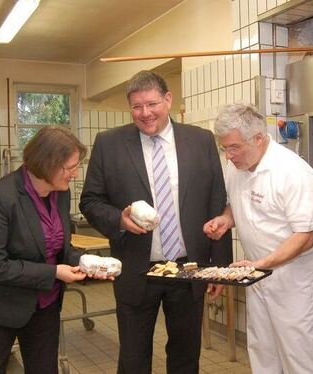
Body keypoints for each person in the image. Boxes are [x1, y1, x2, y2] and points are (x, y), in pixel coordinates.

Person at [79, 70, 232, 373]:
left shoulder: (200, 141)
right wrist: (119, 220)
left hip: (188, 268)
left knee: (186, 355)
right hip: (137, 269)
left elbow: (217, 204)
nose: (145, 113)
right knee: (134, 358)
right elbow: (90, 201)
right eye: (137, 107)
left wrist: (220, 269)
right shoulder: (109, 144)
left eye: (152, 104)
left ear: (168, 99)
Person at [203, 103, 313, 373]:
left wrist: (261, 264)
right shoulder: (236, 167)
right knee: (262, 350)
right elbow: (240, 205)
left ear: (258, 138)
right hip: (258, 272)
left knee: (299, 354)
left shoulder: (292, 171)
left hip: (292, 276)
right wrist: (226, 219)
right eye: (225, 148)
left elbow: (305, 236)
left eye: (234, 147)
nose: (229, 156)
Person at [0, 125, 93, 373]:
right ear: (48, 164)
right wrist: (53, 273)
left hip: (44, 306)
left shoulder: (60, 194)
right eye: (70, 168)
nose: (75, 175)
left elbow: (61, 248)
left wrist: (88, 263)